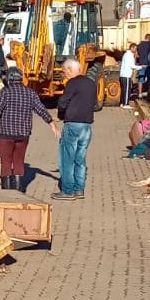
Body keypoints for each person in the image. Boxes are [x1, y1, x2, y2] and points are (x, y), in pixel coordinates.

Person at [0, 67, 58, 192]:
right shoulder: (30, 93)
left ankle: (7, 193)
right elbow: (41, 109)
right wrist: (52, 124)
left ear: (8, 79)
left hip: (6, 134)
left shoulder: (6, 92)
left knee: (6, 162)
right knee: (19, 161)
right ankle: (19, 191)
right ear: (21, 79)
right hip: (23, 134)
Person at [51, 58, 97, 201]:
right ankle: (79, 189)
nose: (65, 75)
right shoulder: (91, 83)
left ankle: (67, 190)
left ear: (70, 70)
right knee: (80, 159)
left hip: (72, 124)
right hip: (87, 126)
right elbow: (95, 104)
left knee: (67, 158)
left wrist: (61, 113)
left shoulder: (72, 83)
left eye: (65, 72)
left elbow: (63, 101)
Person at [119, 43, 143, 108]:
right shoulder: (129, 55)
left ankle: (121, 103)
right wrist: (141, 67)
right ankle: (126, 104)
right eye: (135, 48)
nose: (136, 50)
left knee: (123, 90)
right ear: (131, 48)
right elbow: (132, 66)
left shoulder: (126, 54)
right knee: (127, 90)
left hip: (123, 75)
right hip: (126, 75)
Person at [136, 33, 150, 98]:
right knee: (149, 79)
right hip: (148, 64)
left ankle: (140, 93)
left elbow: (137, 55)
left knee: (141, 79)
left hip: (141, 64)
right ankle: (148, 92)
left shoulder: (139, 45)